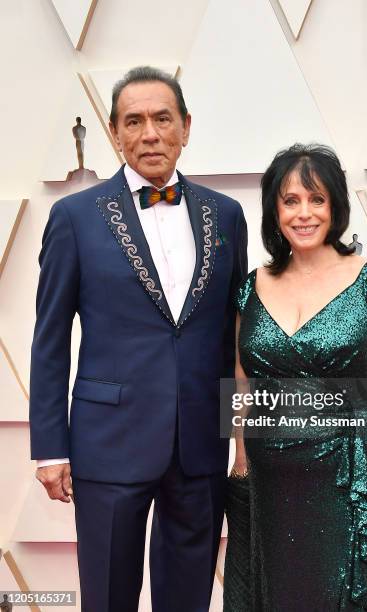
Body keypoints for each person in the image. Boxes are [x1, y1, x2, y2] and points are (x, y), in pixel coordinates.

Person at [29, 66, 248, 612]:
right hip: (108, 444)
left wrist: (239, 436)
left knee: (189, 598)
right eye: (135, 121)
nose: (150, 133)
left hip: (199, 445)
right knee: (106, 597)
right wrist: (51, 447)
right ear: (114, 132)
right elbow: (51, 337)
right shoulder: (74, 218)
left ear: (186, 127)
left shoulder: (227, 216)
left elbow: (233, 339)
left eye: (162, 118)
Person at [223, 144, 367, 611]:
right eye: (291, 201)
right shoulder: (251, 287)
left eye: (317, 199)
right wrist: (241, 463)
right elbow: (243, 385)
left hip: (348, 475)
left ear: (336, 207)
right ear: (275, 210)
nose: (304, 213)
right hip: (271, 483)